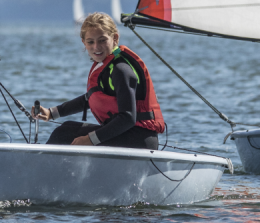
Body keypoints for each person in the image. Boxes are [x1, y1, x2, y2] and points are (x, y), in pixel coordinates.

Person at [32, 12, 167, 150]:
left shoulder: (121, 70)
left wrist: (90, 140)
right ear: (84, 42)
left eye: (102, 40)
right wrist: (51, 113)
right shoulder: (106, 67)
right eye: (91, 42)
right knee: (67, 127)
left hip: (139, 140)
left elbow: (128, 118)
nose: (96, 47)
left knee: (64, 134)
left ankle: (40, 167)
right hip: (127, 136)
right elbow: (89, 98)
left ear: (115, 38)